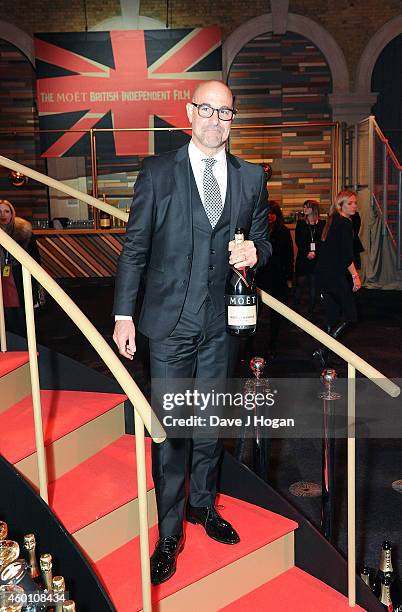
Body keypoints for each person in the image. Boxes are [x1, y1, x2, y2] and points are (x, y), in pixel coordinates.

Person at [112, 80, 271, 585]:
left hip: (222, 326)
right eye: (207, 109)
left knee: (210, 428)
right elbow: (135, 249)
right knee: (173, 432)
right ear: (189, 112)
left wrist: (256, 254)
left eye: (225, 112)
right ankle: (170, 530)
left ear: (232, 119)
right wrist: (123, 316)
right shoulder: (158, 172)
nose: (215, 119)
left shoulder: (250, 178)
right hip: (169, 325)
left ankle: (203, 506)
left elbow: (265, 241)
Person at [313, 190, 362, 367]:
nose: (355, 206)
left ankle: (323, 354)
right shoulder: (344, 223)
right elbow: (347, 256)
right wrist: (356, 277)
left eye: (355, 202)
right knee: (350, 315)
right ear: (341, 205)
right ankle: (324, 350)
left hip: (323, 276)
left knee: (331, 315)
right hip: (333, 276)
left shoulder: (332, 222)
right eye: (351, 203)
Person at [255, 201, 293, 358]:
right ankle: (249, 345)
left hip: (278, 278)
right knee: (255, 313)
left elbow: (289, 256)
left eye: (273, 213)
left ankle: (272, 345)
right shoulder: (259, 232)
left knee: (276, 316)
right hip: (261, 277)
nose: (270, 216)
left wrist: (290, 277)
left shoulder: (283, 231)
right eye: (268, 213)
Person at [0, 200, 41, 336]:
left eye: (6, 211)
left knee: (23, 318)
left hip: (21, 279)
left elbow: (35, 261)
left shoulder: (23, 231)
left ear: (12, 213)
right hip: (1, 279)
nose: (3, 214)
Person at [294, 199, 325, 316]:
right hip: (303, 257)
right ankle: (295, 309)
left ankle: (311, 311)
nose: (304, 209)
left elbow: (322, 241)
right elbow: (299, 241)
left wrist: (315, 252)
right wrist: (307, 252)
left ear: (314, 209)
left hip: (316, 259)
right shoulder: (301, 223)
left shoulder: (321, 224)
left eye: (307, 207)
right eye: (304, 207)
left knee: (313, 285)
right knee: (300, 283)